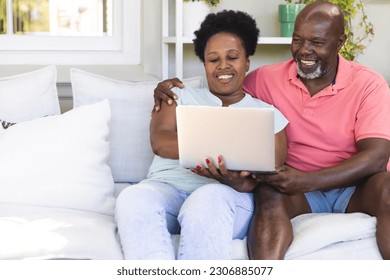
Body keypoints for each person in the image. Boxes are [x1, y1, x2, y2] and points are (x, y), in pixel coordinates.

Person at [153, 1, 390, 260]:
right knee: (267, 192)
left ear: (340, 42)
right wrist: (167, 89)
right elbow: (227, 87)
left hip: (355, 189)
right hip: (296, 192)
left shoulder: (368, 84)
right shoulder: (264, 79)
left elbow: (376, 157)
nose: (304, 50)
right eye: (298, 40)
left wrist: (306, 179)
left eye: (317, 42)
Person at [115, 10, 288, 259]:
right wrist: (224, 151)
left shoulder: (268, 115)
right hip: (166, 189)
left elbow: (270, 173)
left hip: (226, 197)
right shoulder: (177, 96)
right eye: (213, 59)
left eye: (232, 57)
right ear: (205, 64)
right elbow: (160, 142)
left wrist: (232, 179)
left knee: (208, 198)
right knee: (133, 197)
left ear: (247, 62)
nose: (223, 66)